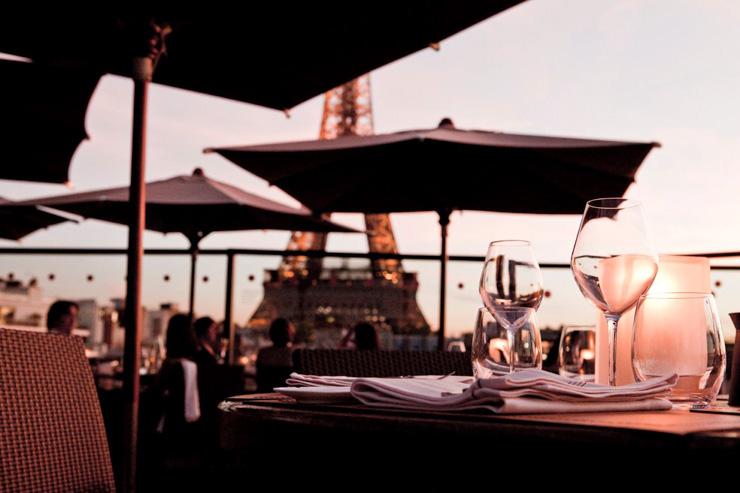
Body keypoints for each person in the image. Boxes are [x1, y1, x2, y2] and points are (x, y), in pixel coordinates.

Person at [256, 318, 295, 392]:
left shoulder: (263, 353)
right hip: (288, 394)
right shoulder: (294, 353)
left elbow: (259, 379)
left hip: (264, 393)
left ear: (271, 333)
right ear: (289, 333)